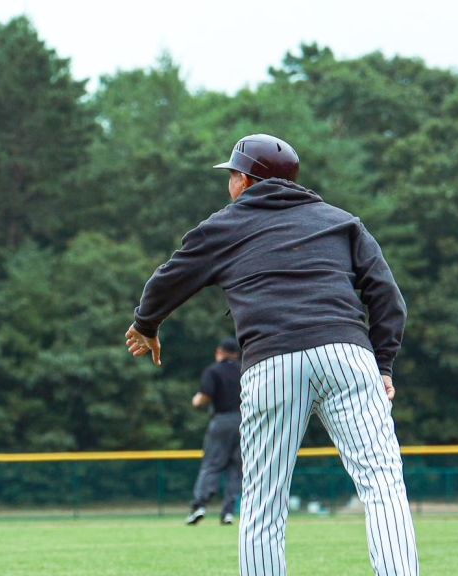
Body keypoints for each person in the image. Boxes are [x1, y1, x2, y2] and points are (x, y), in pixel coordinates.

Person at [125, 134, 419, 575]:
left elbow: (170, 276)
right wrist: (383, 364)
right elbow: (386, 295)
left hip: (272, 361)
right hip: (347, 354)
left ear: (244, 181)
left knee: (264, 501)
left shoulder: (225, 225)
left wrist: (146, 324)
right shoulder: (339, 221)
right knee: (383, 484)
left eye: (231, 175)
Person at [186, 337, 242, 527]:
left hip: (222, 420)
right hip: (246, 421)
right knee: (237, 469)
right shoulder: (246, 368)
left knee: (212, 465)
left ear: (220, 351)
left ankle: (200, 506)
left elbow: (204, 398)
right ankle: (228, 512)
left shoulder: (214, 370)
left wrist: (195, 401)